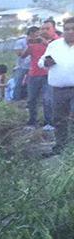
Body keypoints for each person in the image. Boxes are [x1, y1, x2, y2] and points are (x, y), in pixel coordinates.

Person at [39, 16, 74, 155]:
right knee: (59, 119)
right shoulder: (55, 45)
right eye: (67, 29)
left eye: (73, 29)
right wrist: (45, 62)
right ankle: (61, 146)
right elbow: (41, 61)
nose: (70, 31)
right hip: (59, 90)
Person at [23, 26, 53, 130]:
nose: (35, 36)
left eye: (36, 33)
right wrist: (29, 45)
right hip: (33, 75)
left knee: (47, 99)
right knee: (31, 99)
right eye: (32, 34)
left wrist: (44, 42)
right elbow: (23, 55)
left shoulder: (50, 44)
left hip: (46, 74)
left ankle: (49, 122)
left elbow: (54, 52)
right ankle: (32, 122)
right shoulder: (31, 45)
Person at [12, 29, 33, 102]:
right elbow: (19, 53)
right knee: (18, 83)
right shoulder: (20, 42)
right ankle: (16, 99)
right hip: (21, 66)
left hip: (31, 66)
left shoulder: (37, 42)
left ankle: (28, 99)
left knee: (30, 83)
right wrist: (29, 48)